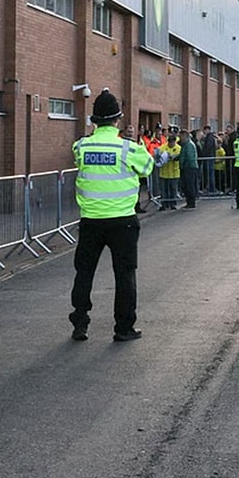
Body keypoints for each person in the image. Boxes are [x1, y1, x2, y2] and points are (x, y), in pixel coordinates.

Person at [69, 89, 155, 342]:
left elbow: (79, 162)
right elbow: (148, 167)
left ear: (94, 121)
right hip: (122, 222)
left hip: (91, 221)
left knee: (84, 272)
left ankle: (80, 323)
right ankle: (124, 328)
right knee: (125, 275)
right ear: (118, 120)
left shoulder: (81, 146)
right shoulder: (129, 149)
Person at [156, 132, 181, 210]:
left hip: (174, 173)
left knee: (173, 189)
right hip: (164, 172)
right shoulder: (163, 147)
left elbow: (178, 156)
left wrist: (172, 157)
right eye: (169, 142)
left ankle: (173, 204)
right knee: (163, 189)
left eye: (172, 142)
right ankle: (164, 204)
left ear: (174, 141)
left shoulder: (178, 148)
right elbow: (158, 155)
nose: (170, 144)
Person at [178, 129, 199, 209]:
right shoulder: (186, 145)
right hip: (189, 167)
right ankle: (189, 202)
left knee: (189, 186)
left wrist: (183, 165)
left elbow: (189, 157)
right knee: (186, 186)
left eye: (181, 136)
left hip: (189, 168)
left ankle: (191, 202)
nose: (180, 138)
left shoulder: (189, 145)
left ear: (185, 136)